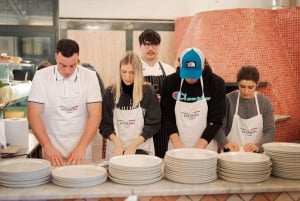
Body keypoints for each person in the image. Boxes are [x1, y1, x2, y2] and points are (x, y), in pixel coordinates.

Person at [27, 39, 102, 166]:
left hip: (82, 145)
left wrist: (81, 147)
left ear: (78, 58)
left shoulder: (90, 77)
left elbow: (95, 114)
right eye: (62, 65)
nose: (67, 71)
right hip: (51, 145)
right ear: (56, 57)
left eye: (72, 66)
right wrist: (47, 146)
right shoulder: (41, 76)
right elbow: (33, 114)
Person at [160, 47, 226, 151]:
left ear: (203, 67)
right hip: (177, 147)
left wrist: (198, 149)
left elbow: (216, 119)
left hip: (205, 148)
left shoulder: (216, 83)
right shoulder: (169, 82)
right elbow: (167, 117)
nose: (191, 78)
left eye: (194, 74)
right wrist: (178, 148)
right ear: (181, 66)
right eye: (187, 74)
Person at [100, 51, 161, 160]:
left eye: (132, 72)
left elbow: (153, 124)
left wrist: (133, 145)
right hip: (116, 151)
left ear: (138, 72)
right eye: (124, 72)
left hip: (142, 150)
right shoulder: (110, 92)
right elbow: (104, 124)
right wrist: (116, 142)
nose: (127, 76)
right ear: (119, 71)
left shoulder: (147, 92)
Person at [215, 66, 275, 153]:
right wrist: (225, 143)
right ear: (237, 83)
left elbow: (270, 130)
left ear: (257, 84)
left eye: (250, 87)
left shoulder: (264, 102)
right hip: (231, 155)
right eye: (242, 86)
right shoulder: (228, 100)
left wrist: (259, 147)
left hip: (256, 156)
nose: (246, 91)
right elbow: (218, 127)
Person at [139, 29, 175, 158]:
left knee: (162, 157)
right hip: (140, 122)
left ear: (159, 47)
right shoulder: (134, 70)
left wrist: (163, 99)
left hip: (163, 122)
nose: (150, 48)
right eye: (147, 45)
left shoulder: (169, 70)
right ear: (140, 46)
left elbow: (176, 98)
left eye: (154, 45)